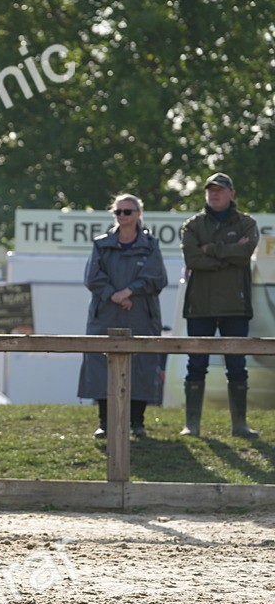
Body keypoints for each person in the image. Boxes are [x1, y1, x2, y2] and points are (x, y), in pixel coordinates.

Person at [76, 194, 168, 439]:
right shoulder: (101, 244)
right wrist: (113, 295)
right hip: (106, 313)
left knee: (142, 364)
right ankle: (105, 422)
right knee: (100, 365)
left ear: (139, 214)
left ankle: (137, 422)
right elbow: (92, 277)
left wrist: (130, 291)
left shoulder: (151, 245)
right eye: (118, 212)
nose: (123, 216)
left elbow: (157, 277)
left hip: (141, 314)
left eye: (128, 211)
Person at [180, 172, 260, 438]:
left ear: (231, 194)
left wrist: (210, 249)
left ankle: (240, 425)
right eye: (210, 190)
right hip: (199, 307)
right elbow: (192, 259)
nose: (214, 194)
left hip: (235, 308)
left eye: (220, 190)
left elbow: (245, 254)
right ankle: (192, 425)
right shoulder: (192, 225)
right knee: (196, 365)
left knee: (236, 365)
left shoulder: (247, 223)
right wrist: (228, 252)